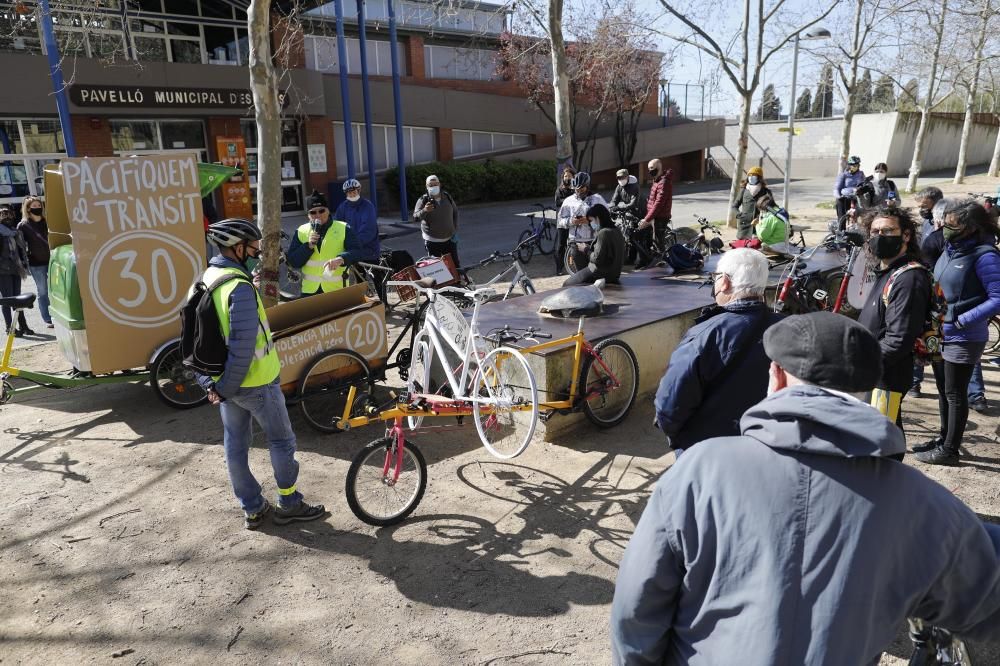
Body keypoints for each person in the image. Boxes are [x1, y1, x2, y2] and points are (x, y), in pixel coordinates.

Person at [612, 312, 1000, 665]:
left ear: (776, 377)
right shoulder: (925, 504)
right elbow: (982, 603)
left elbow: (638, 607)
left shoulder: (700, 468)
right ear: (866, 389)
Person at [198, 219, 326, 529]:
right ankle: (289, 503)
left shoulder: (210, 277)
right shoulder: (238, 289)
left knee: (236, 444)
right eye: (253, 247)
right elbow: (243, 348)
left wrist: (212, 385)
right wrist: (225, 388)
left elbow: (200, 337)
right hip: (254, 383)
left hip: (227, 384)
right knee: (282, 441)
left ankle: (253, 507)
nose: (257, 252)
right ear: (238, 247)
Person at [653, 248, 781, 452]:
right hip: (768, 447)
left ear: (725, 281)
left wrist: (680, 438)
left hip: (708, 452)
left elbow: (669, 406)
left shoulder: (703, 335)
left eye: (715, 277)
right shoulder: (789, 331)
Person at [916, 199, 1000, 466]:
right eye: (945, 223)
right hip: (942, 333)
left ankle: (950, 450)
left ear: (971, 227)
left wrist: (963, 320)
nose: (945, 228)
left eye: (953, 224)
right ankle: (943, 439)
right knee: (944, 391)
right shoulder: (950, 249)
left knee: (955, 393)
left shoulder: (985, 256)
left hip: (964, 336)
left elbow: (997, 298)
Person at [857, 206, 930, 448]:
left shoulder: (908, 278)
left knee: (882, 440)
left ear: (906, 235)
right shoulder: (889, 272)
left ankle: (885, 482)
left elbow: (898, 340)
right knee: (875, 433)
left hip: (886, 377)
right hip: (875, 371)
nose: (879, 236)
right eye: (875, 231)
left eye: (888, 231)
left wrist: (862, 361)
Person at [909, 189, 946, 399]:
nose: (922, 210)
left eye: (925, 206)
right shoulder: (926, 224)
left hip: (943, 295)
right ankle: (915, 383)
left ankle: (976, 394)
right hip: (925, 289)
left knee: (941, 344)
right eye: (920, 206)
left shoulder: (948, 228)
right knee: (919, 338)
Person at [286, 190, 359, 297]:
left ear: (328, 211)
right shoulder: (301, 231)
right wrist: (308, 246)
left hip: (336, 290)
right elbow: (293, 262)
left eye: (321, 211)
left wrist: (341, 258)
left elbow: (357, 252)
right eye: (313, 212)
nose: (318, 215)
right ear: (308, 215)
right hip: (309, 292)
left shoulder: (343, 228)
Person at [563, 204, 624, 287]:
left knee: (567, 284)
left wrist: (585, 249)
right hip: (614, 273)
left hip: (599, 273)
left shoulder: (603, 233)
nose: (591, 224)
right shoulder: (617, 230)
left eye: (591, 220)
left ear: (598, 218)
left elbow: (597, 259)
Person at [557, 172, 606, 273]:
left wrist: (590, 221)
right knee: (581, 273)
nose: (579, 191)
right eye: (576, 189)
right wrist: (571, 221)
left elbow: (606, 220)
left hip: (594, 241)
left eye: (581, 188)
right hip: (575, 242)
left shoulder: (597, 199)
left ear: (587, 186)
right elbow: (560, 221)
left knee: (596, 271)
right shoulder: (568, 201)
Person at [18, 196, 52, 328]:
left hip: (53, 260)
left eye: (39, 206)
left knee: (57, 290)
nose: (37, 208)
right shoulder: (23, 225)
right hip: (36, 264)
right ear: (28, 208)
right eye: (34, 206)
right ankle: (47, 318)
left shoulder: (47, 221)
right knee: (43, 291)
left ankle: (58, 315)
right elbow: (20, 246)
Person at [413, 174, 460, 267]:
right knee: (436, 269)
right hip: (432, 241)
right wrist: (425, 210)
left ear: (439, 184)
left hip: (449, 239)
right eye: (431, 185)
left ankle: (458, 281)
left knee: (455, 266)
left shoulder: (447, 196)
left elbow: (455, 212)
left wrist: (454, 228)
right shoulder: (423, 200)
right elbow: (415, 217)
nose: (434, 186)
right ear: (426, 186)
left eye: (436, 184)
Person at [0, 205, 31, 336]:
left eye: (9, 214)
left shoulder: (15, 232)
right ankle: (9, 328)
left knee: (18, 299)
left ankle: (23, 326)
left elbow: (20, 251)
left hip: (16, 268)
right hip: (3, 271)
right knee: (7, 300)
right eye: (3, 214)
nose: (7, 217)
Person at [637, 159, 673, 268]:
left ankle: (663, 265)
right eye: (648, 169)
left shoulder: (664, 182)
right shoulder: (656, 180)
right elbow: (652, 199)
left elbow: (658, 203)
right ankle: (646, 261)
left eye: (652, 168)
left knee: (658, 242)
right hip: (653, 215)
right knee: (642, 235)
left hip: (661, 217)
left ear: (659, 167)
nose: (650, 171)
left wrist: (647, 219)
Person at [334, 178, 380, 263]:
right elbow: (336, 225)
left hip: (368, 249)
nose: (352, 195)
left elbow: (368, 230)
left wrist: (352, 244)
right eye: (349, 193)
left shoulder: (367, 206)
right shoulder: (343, 207)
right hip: (351, 249)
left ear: (359, 191)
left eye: (354, 192)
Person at [731, 166, 770, 241]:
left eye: (754, 175)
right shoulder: (743, 190)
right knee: (742, 248)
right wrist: (739, 215)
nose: (751, 177)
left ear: (759, 177)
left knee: (756, 247)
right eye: (749, 175)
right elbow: (734, 206)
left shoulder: (766, 191)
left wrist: (761, 218)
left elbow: (770, 208)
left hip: (759, 225)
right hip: (744, 226)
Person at [554, 166, 577, 275]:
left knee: (573, 243)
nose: (567, 178)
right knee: (561, 245)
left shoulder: (576, 189)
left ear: (573, 177)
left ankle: (572, 264)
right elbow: (558, 202)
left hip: (574, 220)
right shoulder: (560, 189)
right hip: (562, 221)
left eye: (569, 176)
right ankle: (559, 267)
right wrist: (570, 199)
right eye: (565, 176)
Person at [833, 155, 866, 225]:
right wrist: (839, 196)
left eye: (856, 165)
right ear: (849, 165)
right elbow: (836, 188)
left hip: (857, 197)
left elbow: (864, 184)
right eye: (853, 165)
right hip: (845, 198)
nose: (855, 166)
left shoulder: (861, 174)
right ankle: (841, 229)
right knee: (840, 203)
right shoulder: (843, 175)